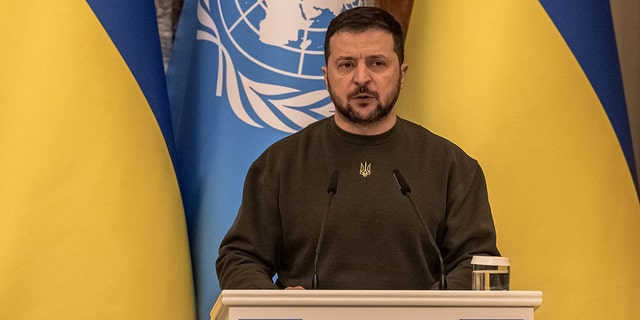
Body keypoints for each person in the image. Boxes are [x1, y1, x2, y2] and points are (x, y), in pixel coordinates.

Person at [216, 6, 500, 290]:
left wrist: (429, 308)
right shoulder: (280, 164)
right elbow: (240, 258)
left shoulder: (452, 165)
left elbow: (479, 263)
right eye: (347, 64)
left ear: (401, 74)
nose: (361, 78)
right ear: (326, 76)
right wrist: (277, 306)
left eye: (377, 63)